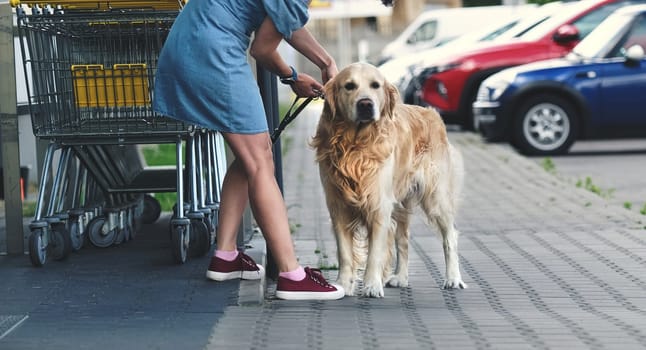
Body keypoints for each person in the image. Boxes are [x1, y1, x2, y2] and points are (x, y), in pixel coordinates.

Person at [153, 0, 344, 300]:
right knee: (259, 161)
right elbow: (263, 50)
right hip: (214, 53)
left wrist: (324, 61)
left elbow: (284, 20)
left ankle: (226, 255)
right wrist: (292, 76)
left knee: (250, 156)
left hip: (193, 42)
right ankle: (291, 275)